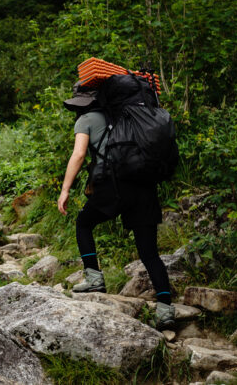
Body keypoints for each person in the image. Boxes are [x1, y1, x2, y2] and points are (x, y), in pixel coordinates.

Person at [57, 82, 176, 330]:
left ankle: (93, 278)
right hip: (143, 185)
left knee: (84, 223)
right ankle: (166, 312)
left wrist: (65, 189)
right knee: (149, 252)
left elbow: (79, 155)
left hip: (112, 185)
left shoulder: (86, 120)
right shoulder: (124, 116)